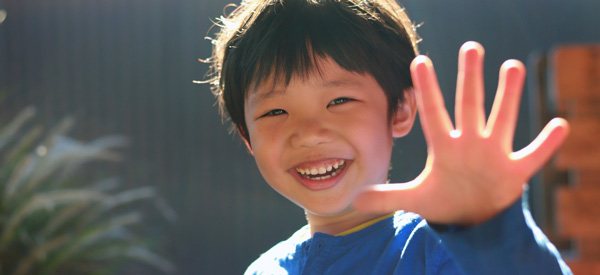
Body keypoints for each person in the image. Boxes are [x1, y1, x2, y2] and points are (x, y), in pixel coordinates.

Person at [204, 0, 573, 273]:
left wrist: (491, 230)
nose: (309, 133)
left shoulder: (442, 250)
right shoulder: (263, 270)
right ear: (247, 136)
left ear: (400, 109)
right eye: (275, 111)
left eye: (340, 100)